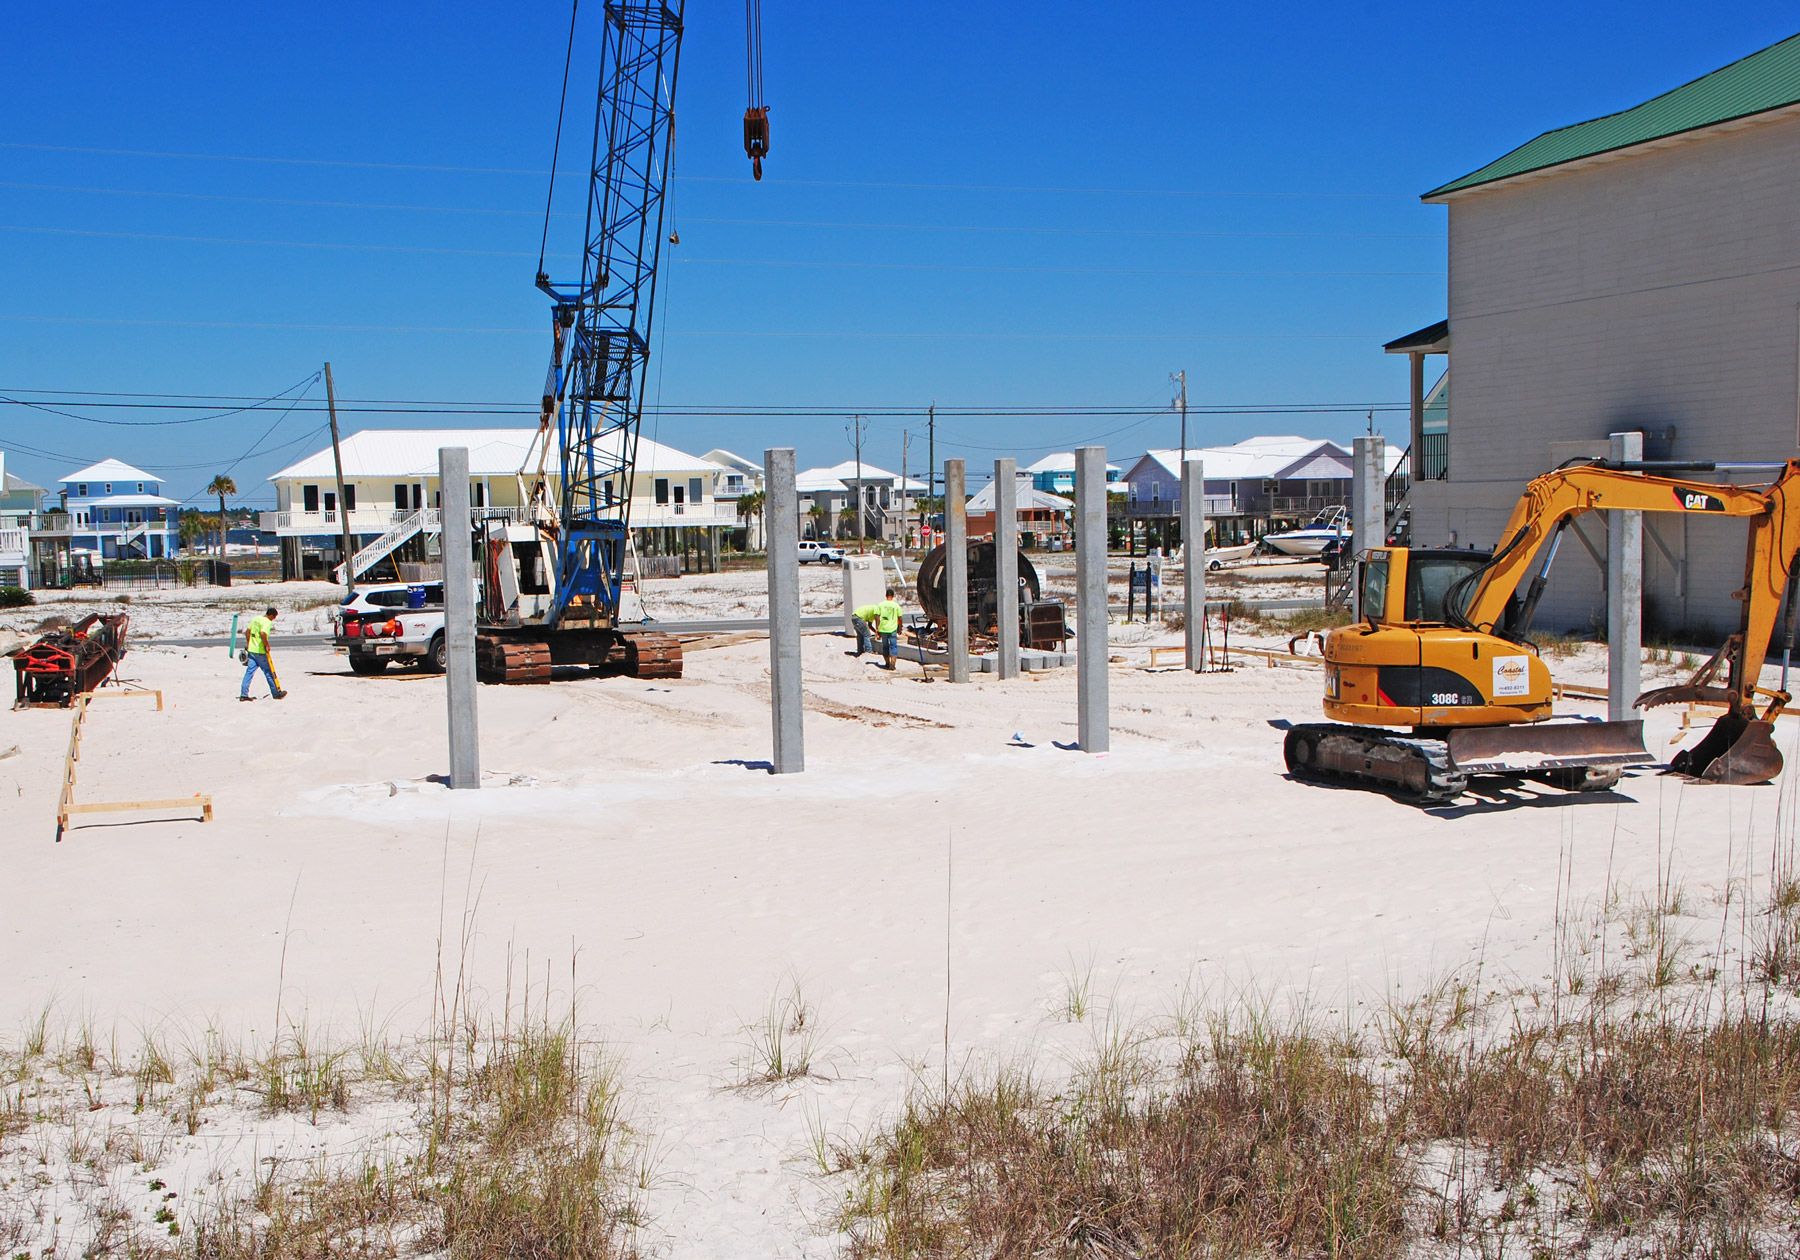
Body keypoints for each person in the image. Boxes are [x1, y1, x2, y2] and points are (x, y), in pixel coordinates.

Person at [850, 586, 905, 671]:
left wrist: (878, 630)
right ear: (893, 596)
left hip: (883, 629)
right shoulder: (896, 605)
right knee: (893, 646)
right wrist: (899, 628)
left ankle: (887, 664)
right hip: (892, 629)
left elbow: (877, 618)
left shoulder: (880, 605)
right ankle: (892, 665)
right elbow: (900, 618)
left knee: (885, 647)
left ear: (885, 596)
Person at [239, 606, 287, 701]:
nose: (274, 619)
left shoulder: (256, 619)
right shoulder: (267, 622)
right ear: (271, 615)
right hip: (260, 652)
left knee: (249, 673)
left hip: (252, 651)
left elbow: (247, 632)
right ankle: (276, 693)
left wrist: (249, 644)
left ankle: (243, 695)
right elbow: (263, 633)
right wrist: (267, 645)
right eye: (274, 617)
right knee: (268, 672)